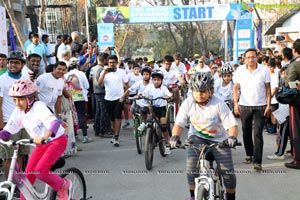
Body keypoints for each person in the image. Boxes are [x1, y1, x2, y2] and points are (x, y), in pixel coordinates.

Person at [170, 72, 238, 200]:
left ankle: (231, 196)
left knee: (227, 173)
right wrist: (175, 137)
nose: (199, 94)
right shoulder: (187, 103)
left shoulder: (219, 104)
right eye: (196, 91)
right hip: (196, 139)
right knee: (191, 168)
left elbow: (232, 125)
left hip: (220, 140)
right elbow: (179, 123)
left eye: (203, 91)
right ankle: (192, 196)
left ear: (211, 90)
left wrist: (232, 138)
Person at [0, 80, 72, 199]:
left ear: (30, 98)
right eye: (15, 100)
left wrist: (44, 137)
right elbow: (10, 128)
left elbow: (53, 124)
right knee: (26, 178)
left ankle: (63, 185)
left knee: (40, 171)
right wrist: (3, 134)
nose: (17, 103)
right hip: (40, 145)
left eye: (21, 99)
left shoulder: (39, 107)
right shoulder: (19, 110)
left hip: (56, 141)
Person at [233, 48, 271, 171]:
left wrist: (268, 104)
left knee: (258, 134)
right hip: (244, 105)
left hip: (260, 106)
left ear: (257, 57)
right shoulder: (240, 70)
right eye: (248, 57)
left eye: (253, 57)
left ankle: (257, 161)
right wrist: (235, 103)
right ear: (244, 59)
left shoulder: (264, 70)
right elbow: (236, 88)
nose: (251, 59)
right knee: (246, 132)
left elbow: (268, 88)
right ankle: (249, 154)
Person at [98, 55, 129, 147]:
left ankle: (116, 137)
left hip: (119, 99)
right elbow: (99, 84)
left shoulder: (122, 72)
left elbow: (127, 85)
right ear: (107, 63)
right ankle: (114, 133)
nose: (112, 64)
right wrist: (104, 72)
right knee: (112, 118)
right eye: (110, 63)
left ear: (116, 63)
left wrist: (125, 96)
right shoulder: (104, 71)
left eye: (113, 62)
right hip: (108, 98)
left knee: (117, 117)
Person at [141, 69, 173, 154]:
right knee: (144, 110)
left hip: (162, 109)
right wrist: (140, 95)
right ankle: (145, 125)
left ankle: (167, 144)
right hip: (153, 108)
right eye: (154, 80)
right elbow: (144, 93)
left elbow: (169, 94)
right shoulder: (149, 87)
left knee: (163, 127)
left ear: (161, 80)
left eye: (158, 80)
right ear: (152, 80)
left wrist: (168, 96)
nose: (156, 82)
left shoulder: (163, 88)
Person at [120, 67, 152, 132]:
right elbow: (129, 89)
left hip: (148, 103)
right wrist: (122, 97)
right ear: (142, 75)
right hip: (138, 101)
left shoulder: (152, 83)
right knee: (132, 110)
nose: (145, 76)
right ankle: (137, 122)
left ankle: (145, 123)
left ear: (150, 75)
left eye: (147, 74)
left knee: (147, 113)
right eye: (144, 74)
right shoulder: (139, 83)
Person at [65, 58, 90, 143]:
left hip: (70, 98)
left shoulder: (66, 75)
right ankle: (85, 136)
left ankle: (75, 136)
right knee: (81, 115)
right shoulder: (81, 74)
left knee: (72, 117)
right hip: (81, 97)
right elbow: (87, 86)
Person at [284, 39, 300, 169]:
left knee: (296, 131)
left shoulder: (294, 65)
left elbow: (290, 84)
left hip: (297, 101)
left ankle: (297, 160)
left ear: (294, 50)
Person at [93, 53, 111, 137]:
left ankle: (97, 129)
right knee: (104, 112)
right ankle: (103, 131)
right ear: (104, 60)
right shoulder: (102, 69)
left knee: (98, 112)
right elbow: (102, 82)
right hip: (101, 92)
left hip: (96, 92)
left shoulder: (95, 68)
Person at [122, 63, 143, 128]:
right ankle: (126, 121)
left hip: (138, 94)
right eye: (135, 69)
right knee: (125, 107)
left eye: (138, 69)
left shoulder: (141, 76)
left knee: (138, 108)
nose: (137, 70)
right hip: (130, 93)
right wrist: (126, 93)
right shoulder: (129, 75)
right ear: (133, 70)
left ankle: (139, 122)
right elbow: (124, 83)